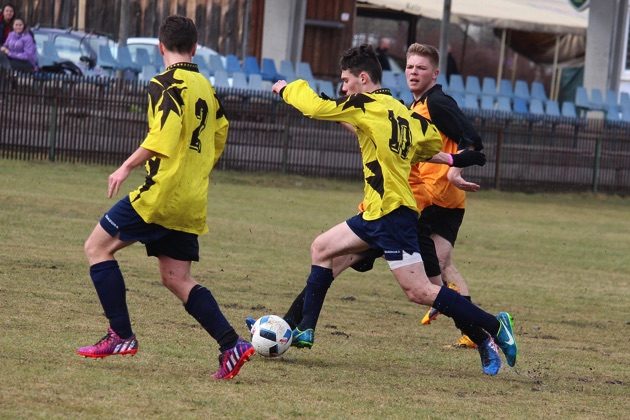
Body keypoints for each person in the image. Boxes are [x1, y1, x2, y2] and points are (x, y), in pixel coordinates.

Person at [270, 44, 517, 376]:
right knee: (323, 249)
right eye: (409, 67)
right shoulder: (403, 111)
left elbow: (315, 106)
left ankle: (492, 327)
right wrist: (449, 159)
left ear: (362, 78)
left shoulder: (378, 105)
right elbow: (427, 141)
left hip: (395, 214)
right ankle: (301, 328)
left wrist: (288, 89)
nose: (343, 88)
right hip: (378, 212)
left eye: (346, 81)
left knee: (422, 290)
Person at [76, 15, 255, 380]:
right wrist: (197, 167)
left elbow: (164, 136)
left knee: (96, 248)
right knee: (176, 277)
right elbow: (220, 132)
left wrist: (124, 167)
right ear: (194, 47)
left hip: (159, 195)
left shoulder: (164, 84)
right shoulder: (206, 87)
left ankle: (121, 335)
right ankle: (231, 344)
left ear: (160, 47)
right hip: (191, 199)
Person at [406, 43, 485, 350]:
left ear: (435, 73)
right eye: (410, 67)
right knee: (444, 263)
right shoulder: (415, 105)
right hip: (437, 198)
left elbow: (473, 141)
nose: (414, 72)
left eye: (421, 68)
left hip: (438, 197)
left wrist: (454, 170)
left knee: (430, 269)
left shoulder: (438, 102)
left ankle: (447, 303)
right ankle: (473, 328)